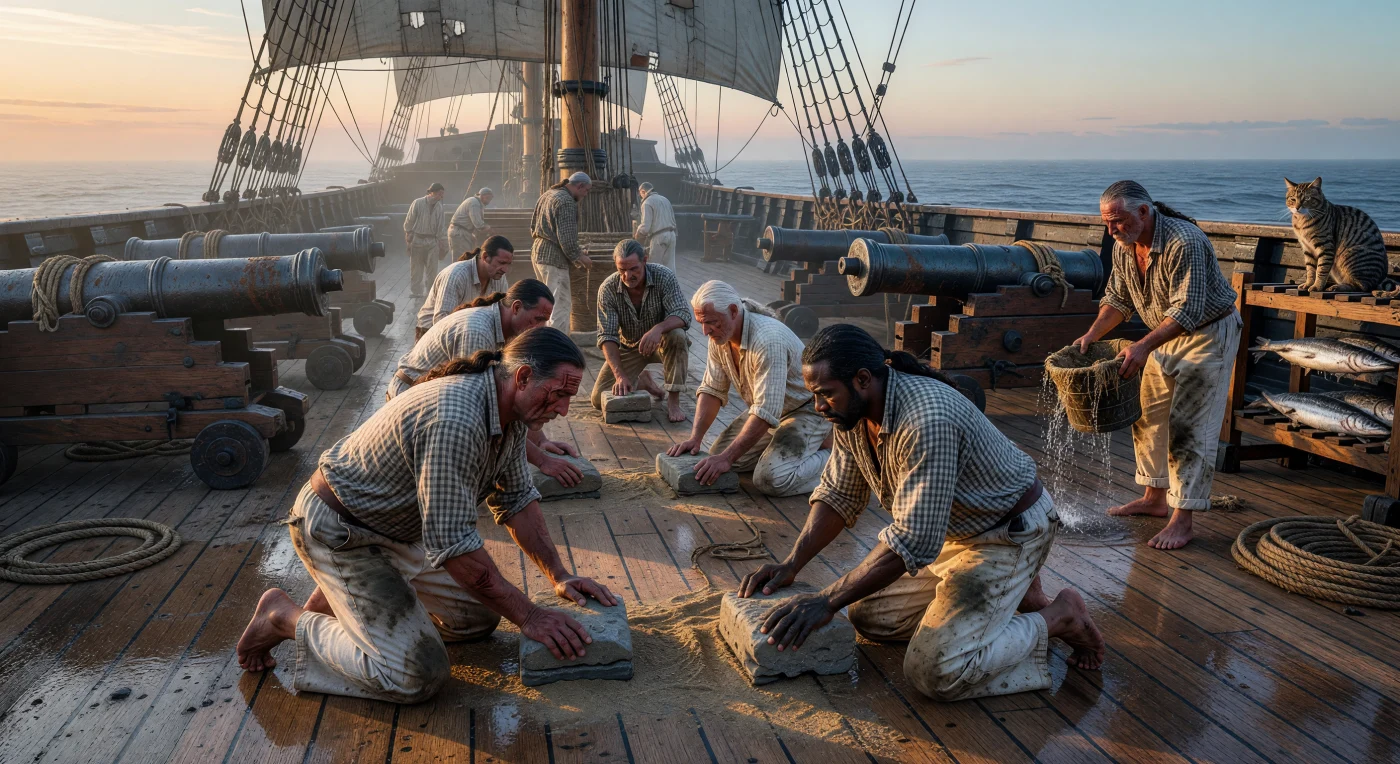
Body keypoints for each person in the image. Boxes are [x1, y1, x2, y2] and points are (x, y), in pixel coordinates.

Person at [236, 327, 617, 703]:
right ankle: (283, 617)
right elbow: (454, 545)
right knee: (415, 675)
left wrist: (559, 575)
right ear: (523, 377)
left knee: (477, 620)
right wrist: (530, 617)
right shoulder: (456, 420)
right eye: (559, 394)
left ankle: (351, 597)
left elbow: (516, 500)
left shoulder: (510, 415)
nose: (563, 409)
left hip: (398, 531)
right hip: (343, 533)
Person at [741, 324, 1105, 702]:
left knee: (935, 671)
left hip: (1008, 536)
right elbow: (838, 495)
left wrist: (826, 600)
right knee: (869, 617)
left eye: (825, 394)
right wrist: (792, 564)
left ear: (862, 379)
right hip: (956, 533)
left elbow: (913, 541)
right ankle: (1010, 599)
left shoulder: (927, 419)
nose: (818, 406)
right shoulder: (852, 413)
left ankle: (1060, 616)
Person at [1073, 181, 1241, 550]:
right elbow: (1117, 299)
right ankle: (1154, 499)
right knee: (1147, 416)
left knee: (1189, 427)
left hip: (1207, 334)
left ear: (1144, 212)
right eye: (1106, 223)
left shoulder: (1185, 241)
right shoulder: (1124, 245)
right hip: (1163, 334)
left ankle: (1183, 519)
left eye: (1117, 221)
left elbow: (1187, 310)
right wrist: (1091, 335)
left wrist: (1143, 346)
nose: (1111, 230)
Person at [389, 278, 586, 486]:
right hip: (410, 397)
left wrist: (541, 442)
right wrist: (542, 460)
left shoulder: (510, 329)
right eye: (538, 319)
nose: (540, 327)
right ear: (516, 308)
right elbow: (487, 409)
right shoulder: (477, 332)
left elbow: (519, 397)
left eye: (545, 321)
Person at [667, 280, 830, 497]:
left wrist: (727, 458)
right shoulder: (720, 337)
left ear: (733, 311)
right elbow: (712, 389)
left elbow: (766, 410)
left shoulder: (768, 340)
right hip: (772, 413)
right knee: (716, 457)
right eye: (701, 323)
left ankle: (839, 458)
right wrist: (695, 439)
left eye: (711, 322)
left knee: (770, 479)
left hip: (807, 410)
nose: (705, 331)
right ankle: (797, 448)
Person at [592, 240, 691, 423]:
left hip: (662, 343)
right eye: (622, 270)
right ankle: (643, 381)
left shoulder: (664, 276)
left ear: (645, 260)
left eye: (633, 269)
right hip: (630, 347)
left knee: (678, 336)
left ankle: (673, 401)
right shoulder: (607, 289)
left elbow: (683, 314)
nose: (627, 275)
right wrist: (620, 376)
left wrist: (658, 328)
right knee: (599, 398)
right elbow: (607, 336)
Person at [416, 234, 514, 340]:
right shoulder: (455, 275)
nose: (505, 269)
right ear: (485, 257)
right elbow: (441, 320)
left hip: (468, 329)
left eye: (508, 264)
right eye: (501, 263)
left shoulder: (499, 277)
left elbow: (502, 313)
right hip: (430, 332)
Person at [531, 172, 593, 331]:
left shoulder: (548, 194)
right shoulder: (566, 201)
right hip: (554, 260)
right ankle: (558, 341)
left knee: (545, 304)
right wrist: (579, 256)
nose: (585, 195)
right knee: (560, 305)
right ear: (579, 186)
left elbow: (532, 226)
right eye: (586, 190)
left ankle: (545, 337)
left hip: (538, 253)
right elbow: (567, 239)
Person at [404, 182, 450, 297]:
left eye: (442, 194)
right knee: (416, 268)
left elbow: (441, 226)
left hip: (432, 241)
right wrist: (408, 234)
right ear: (432, 192)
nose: (441, 196)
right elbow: (409, 220)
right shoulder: (417, 203)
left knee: (432, 269)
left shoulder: (439, 207)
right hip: (418, 239)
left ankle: (430, 292)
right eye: (439, 193)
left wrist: (443, 242)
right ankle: (416, 292)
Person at [635, 182, 677, 273]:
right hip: (672, 234)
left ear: (643, 191)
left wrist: (637, 233)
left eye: (641, 194)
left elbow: (645, 227)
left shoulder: (647, 202)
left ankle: (653, 282)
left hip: (659, 237)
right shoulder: (665, 199)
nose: (641, 197)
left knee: (653, 266)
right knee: (670, 267)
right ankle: (671, 282)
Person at [450, 187, 495, 256]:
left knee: (465, 256)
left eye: (490, 198)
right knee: (461, 257)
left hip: (463, 231)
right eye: (488, 198)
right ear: (482, 196)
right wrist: (489, 229)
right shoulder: (474, 203)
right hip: (459, 232)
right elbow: (478, 224)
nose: (489, 200)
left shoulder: (478, 203)